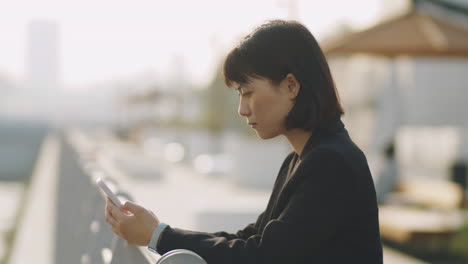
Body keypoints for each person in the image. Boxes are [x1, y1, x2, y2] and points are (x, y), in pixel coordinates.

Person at [105, 20, 383, 263]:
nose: (243, 109)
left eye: (248, 92)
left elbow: (263, 256)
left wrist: (158, 235)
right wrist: (158, 233)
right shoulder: (301, 158)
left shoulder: (330, 162)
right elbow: (252, 239)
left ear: (291, 86)